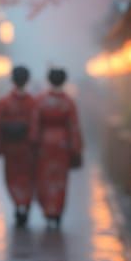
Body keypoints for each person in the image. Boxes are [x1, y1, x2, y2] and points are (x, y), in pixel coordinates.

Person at [31, 67, 83, 229]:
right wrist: (76, 148)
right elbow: (74, 126)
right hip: (62, 143)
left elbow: (35, 123)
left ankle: (48, 209)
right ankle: (57, 210)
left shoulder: (40, 100)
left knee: (45, 178)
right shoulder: (68, 102)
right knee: (60, 179)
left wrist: (34, 142)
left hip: (45, 143)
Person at [0, 65, 37, 227]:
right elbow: (37, 123)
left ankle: (18, 204)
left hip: (11, 147)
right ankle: (26, 205)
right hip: (27, 147)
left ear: (13, 80)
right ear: (27, 80)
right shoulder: (33, 102)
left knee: (13, 177)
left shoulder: (4, 102)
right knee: (28, 177)